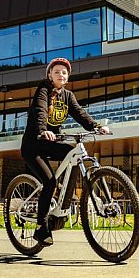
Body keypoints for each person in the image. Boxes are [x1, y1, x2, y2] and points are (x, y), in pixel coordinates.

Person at [20, 57, 109, 246]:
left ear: (68, 77)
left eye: (64, 72)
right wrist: (43, 130)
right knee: (49, 181)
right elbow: (39, 110)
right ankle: (40, 226)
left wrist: (96, 126)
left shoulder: (68, 96)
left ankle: (63, 204)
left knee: (74, 155)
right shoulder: (43, 89)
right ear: (50, 75)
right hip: (34, 145)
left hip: (51, 142)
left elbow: (79, 113)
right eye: (57, 71)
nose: (61, 74)